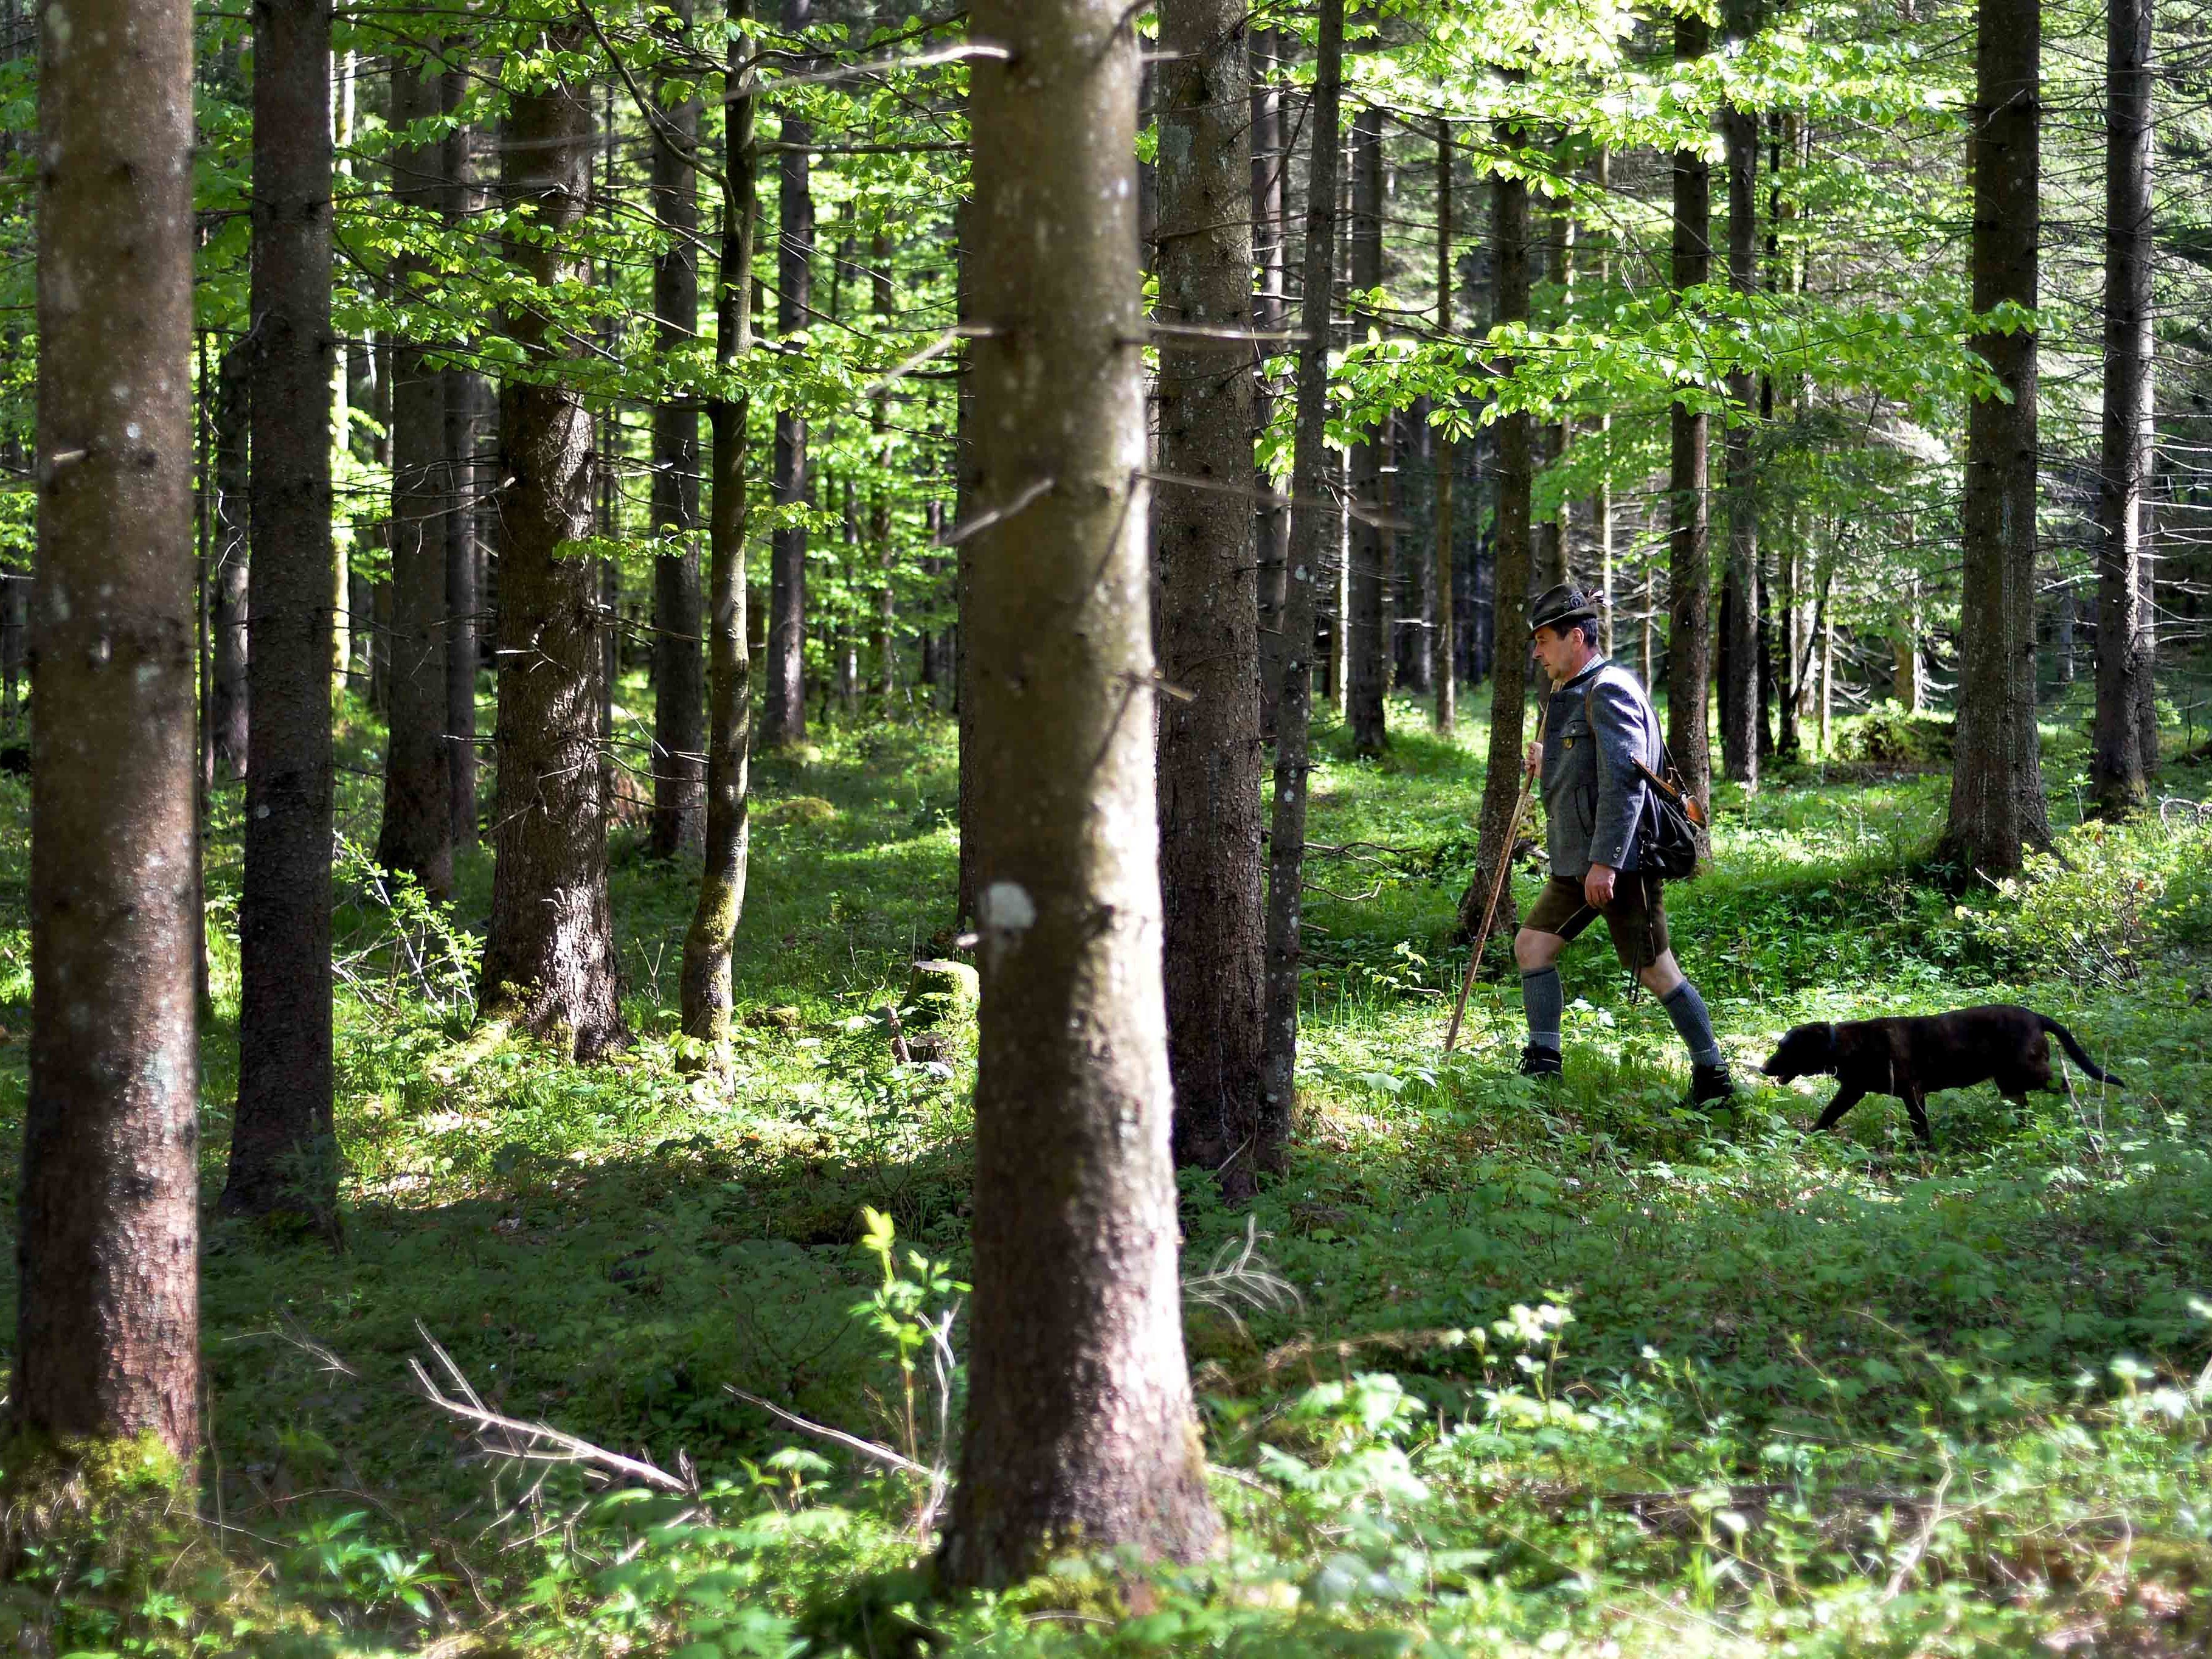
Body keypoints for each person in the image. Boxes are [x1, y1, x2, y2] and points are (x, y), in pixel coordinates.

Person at [1511, 583, 1735, 1104]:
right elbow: (1593, 765)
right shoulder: (1575, 687)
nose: (1537, 652)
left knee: (1655, 970)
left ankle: (1714, 1078)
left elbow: (1624, 783)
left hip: (1618, 863)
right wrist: (1552, 760)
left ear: (1575, 637)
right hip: (1578, 861)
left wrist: (1605, 864)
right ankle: (1543, 1066)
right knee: (1533, 947)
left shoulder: (1607, 688)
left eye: (1543, 640)